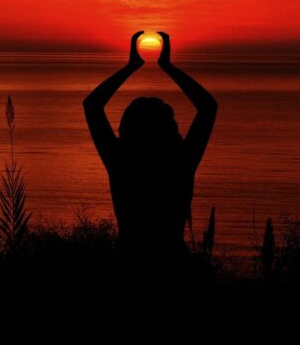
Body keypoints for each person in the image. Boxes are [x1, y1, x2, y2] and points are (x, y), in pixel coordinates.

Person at [83, 31, 217, 263]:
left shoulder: (121, 164)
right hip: (175, 264)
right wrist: (167, 65)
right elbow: (207, 107)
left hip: (129, 263)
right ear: (171, 131)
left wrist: (131, 65)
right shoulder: (181, 164)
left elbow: (92, 105)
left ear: (126, 131)